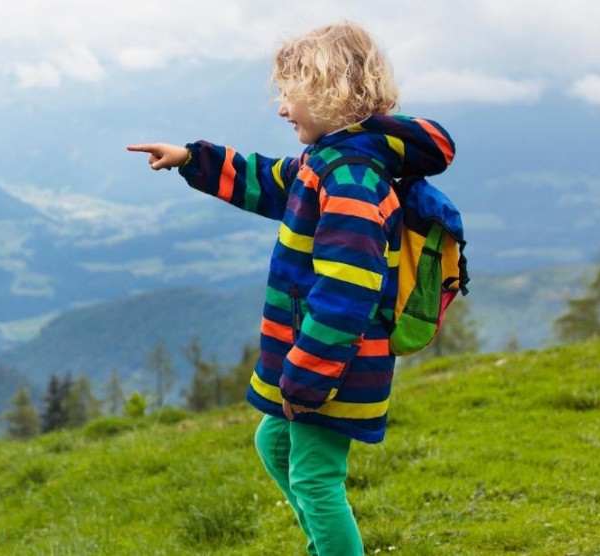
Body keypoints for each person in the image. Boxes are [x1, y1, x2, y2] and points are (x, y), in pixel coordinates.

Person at [126, 21, 455, 556]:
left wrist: (309, 373)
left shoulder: (351, 178)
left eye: (290, 94)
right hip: (314, 360)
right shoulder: (325, 163)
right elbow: (270, 180)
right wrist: (192, 159)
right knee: (274, 442)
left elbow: (349, 292)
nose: (282, 108)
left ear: (331, 90)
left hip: (332, 364)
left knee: (315, 479)